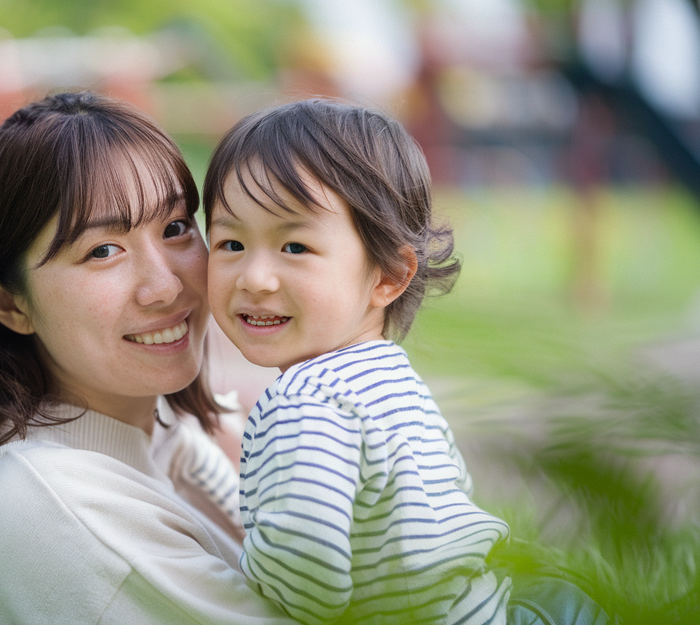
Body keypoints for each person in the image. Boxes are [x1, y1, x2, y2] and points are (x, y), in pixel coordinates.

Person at [203, 99, 611, 625]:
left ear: (388, 277)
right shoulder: (391, 376)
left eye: (295, 246)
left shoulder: (303, 401)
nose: (255, 278)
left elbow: (306, 581)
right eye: (231, 242)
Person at [0, 91, 294, 624]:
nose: (165, 287)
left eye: (176, 228)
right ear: (10, 302)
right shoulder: (54, 504)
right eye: (101, 251)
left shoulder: (164, 432)